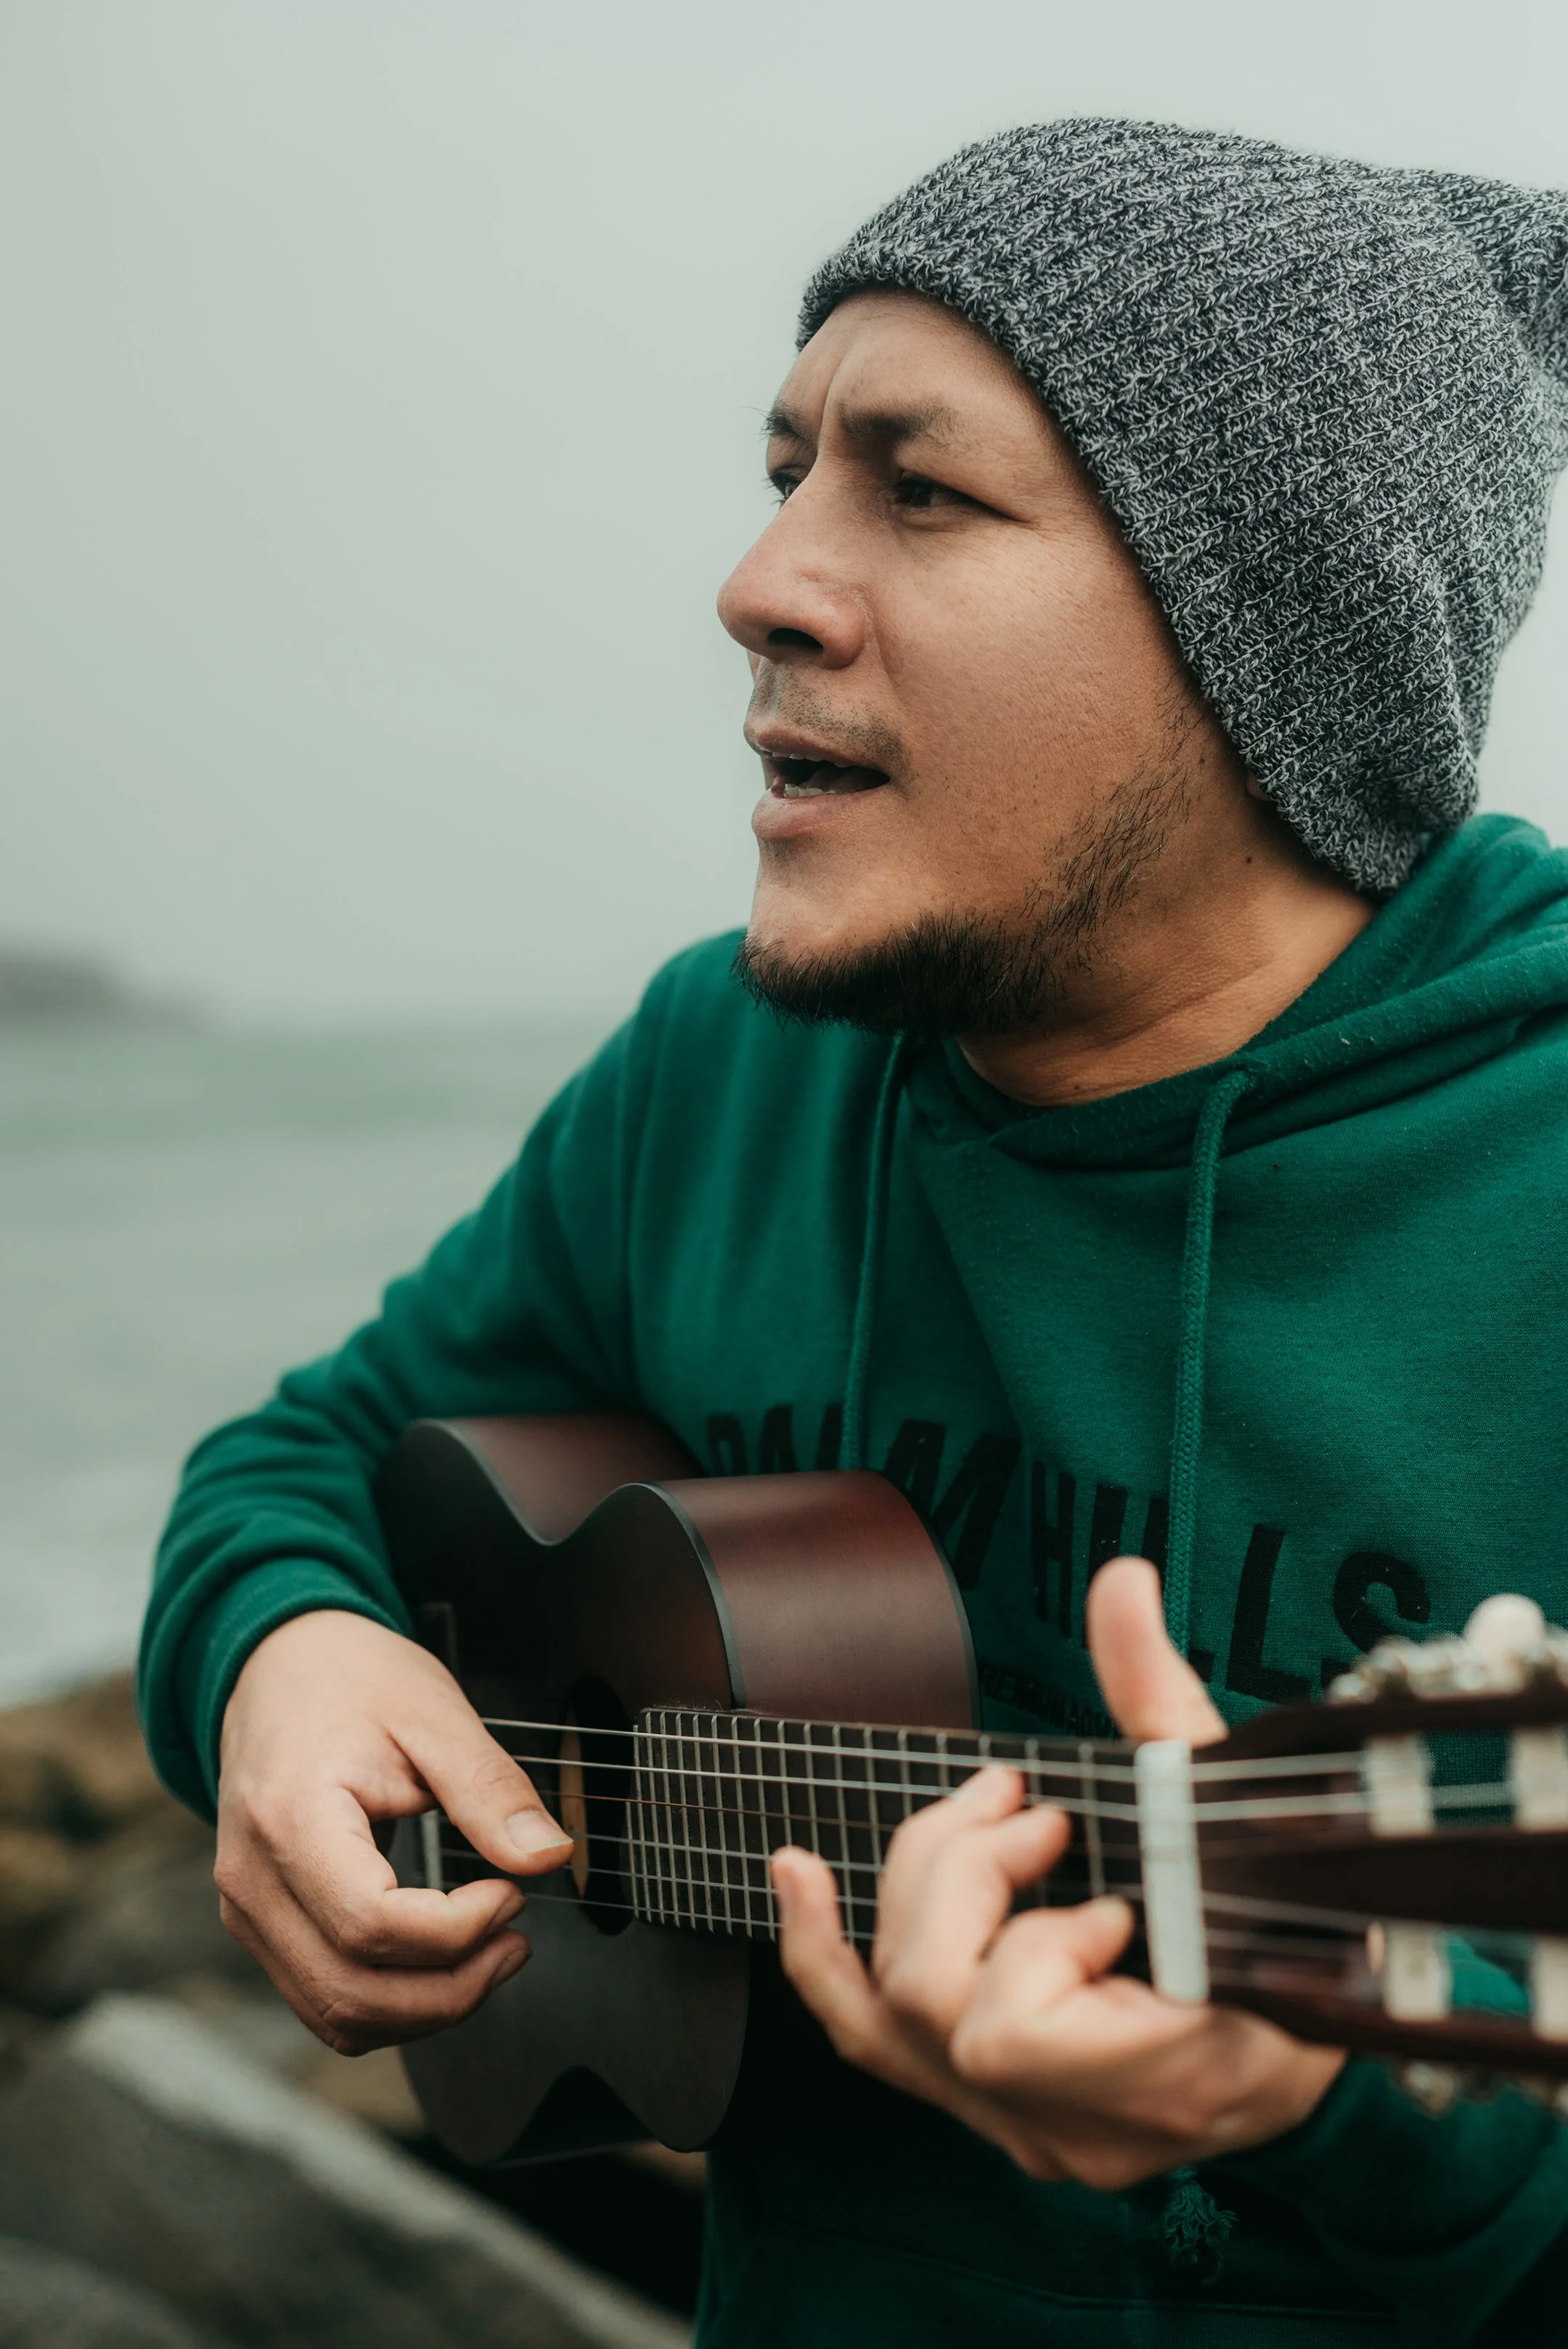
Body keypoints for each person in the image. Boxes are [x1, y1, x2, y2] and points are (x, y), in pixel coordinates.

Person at [139, 118, 1568, 2345]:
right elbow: (308, 1459)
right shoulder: (724, 1072)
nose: (761, 577)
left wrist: (1342, 2091)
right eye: (788, 465)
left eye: (921, 487)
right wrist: (275, 1656)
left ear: (1258, 633)